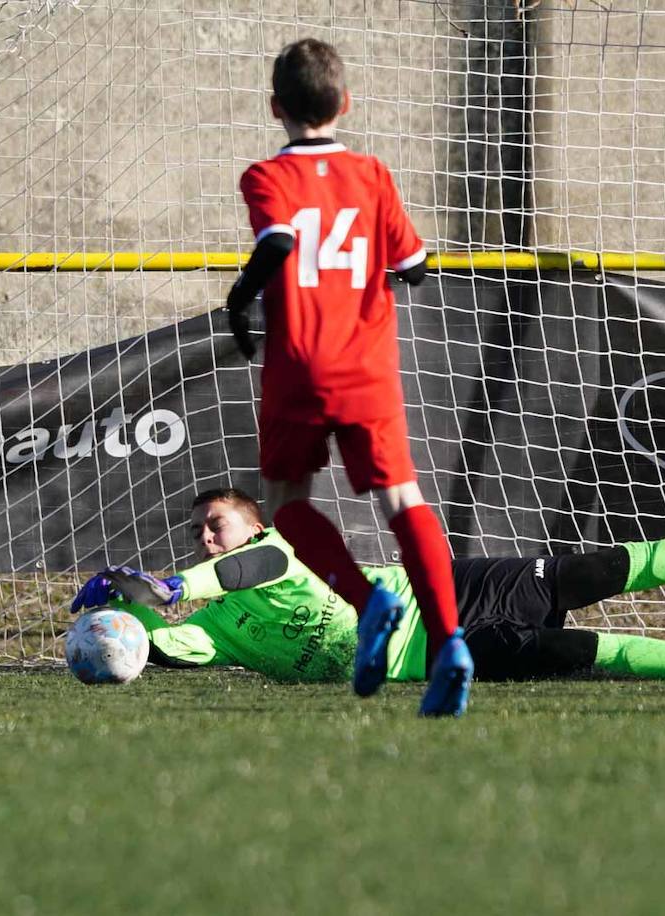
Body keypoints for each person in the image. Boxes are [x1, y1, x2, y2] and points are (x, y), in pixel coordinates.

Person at [224, 39, 471, 715]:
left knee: (283, 504)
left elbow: (277, 242)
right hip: (367, 365)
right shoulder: (372, 175)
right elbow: (415, 265)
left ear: (276, 107)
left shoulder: (265, 177)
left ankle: (369, 603)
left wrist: (240, 302)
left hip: (300, 363)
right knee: (402, 501)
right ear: (346, 102)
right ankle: (449, 639)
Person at [71, 488, 665, 685]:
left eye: (219, 524)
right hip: (429, 655)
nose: (209, 537)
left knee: (598, 569)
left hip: (449, 588)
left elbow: (240, 571)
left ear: (253, 526)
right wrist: (113, 623)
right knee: (580, 650)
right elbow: (160, 644)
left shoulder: (279, 553)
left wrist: (169, 584)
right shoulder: (222, 627)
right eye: (200, 530)